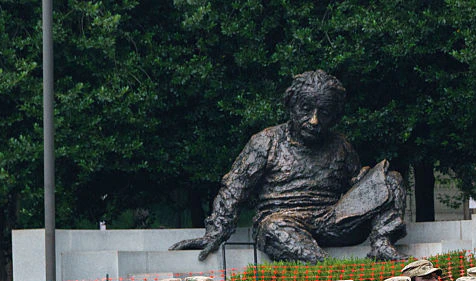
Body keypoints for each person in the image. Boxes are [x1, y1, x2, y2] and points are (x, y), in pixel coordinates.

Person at [171, 69, 407, 262]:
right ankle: (327, 267)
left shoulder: (340, 145)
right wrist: (215, 231)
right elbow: (234, 188)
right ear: (291, 106)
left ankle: (382, 243)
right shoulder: (266, 141)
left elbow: (357, 187)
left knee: (391, 178)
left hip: (332, 219)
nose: (314, 120)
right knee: (273, 227)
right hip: (282, 220)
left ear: (334, 115)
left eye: (323, 112)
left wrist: (365, 180)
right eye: (306, 109)